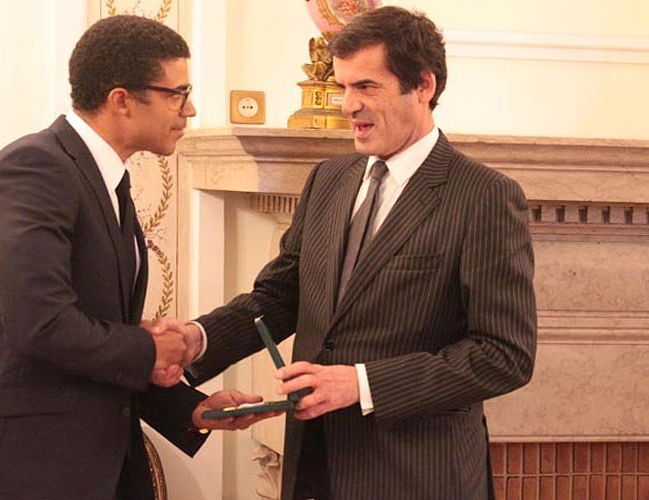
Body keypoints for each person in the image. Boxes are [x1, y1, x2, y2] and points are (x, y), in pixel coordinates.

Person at [158, 6, 538, 500]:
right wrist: (198, 338)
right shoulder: (328, 179)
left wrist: (361, 384)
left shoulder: (484, 195)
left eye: (366, 87)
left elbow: (504, 354)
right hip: (313, 468)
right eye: (342, 86)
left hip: (417, 479)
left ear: (423, 85)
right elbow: (279, 297)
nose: (347, 105)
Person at [0, 15, 269, 500]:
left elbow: (97, 334)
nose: (190, 109)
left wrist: (190, 409)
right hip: (25, 469)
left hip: (95, 467)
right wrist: (151, 349)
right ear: (121, 100)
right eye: (177, 94)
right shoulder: (35, 167)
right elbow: (41, 324)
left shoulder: (108, 179)